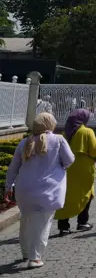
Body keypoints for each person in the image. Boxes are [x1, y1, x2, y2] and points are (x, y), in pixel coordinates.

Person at [4, 113, 75, 269]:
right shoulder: (58, 140)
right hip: (47, 190)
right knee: (42, 224)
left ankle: (25, 252)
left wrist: (8, 187)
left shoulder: (24, 142)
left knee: (26, 220)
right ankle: (35, 258)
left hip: (24, 190)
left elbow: (13, 168)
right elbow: (69, 160)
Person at [55, 109, 96, 235]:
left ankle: (63, 226)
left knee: (66, 196)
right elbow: (94, 151)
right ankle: (82, 222)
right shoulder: (87, 131)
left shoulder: (65, 133)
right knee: (86, 194)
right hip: (84, 169)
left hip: (68, 169)